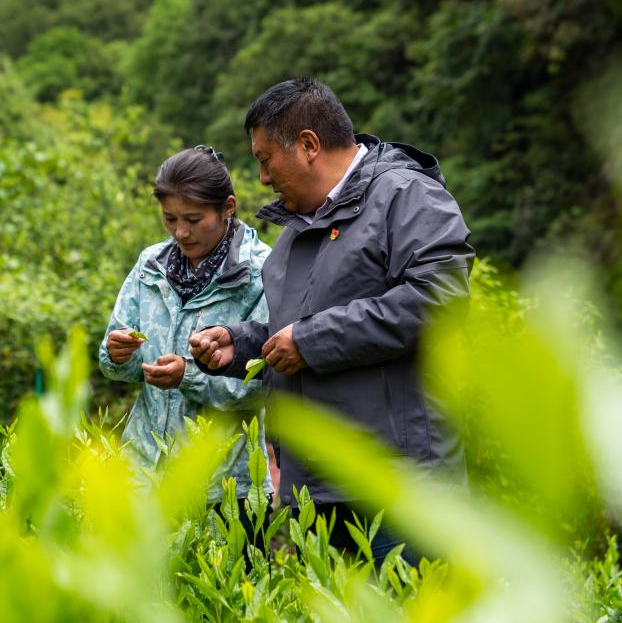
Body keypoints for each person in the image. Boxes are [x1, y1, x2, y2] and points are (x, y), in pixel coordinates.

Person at [189, 79, 475, 567]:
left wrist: (310, 340)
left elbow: (438, 298)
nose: (262, 178)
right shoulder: (295, 232)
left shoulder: (406, 195)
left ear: (308, 145)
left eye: (265, 159)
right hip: (316, 494)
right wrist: (241, 345)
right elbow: (294, 331)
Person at [99, 145, 274, 537]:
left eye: (194, 219)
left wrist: (188, 377)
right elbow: (116, 362)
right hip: (142, 479)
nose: (180, 232)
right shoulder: (150, 266)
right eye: (170, 218)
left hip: (224, 490)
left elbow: (265, 382)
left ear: (228, 208)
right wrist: (117, 354)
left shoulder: (262, 273)